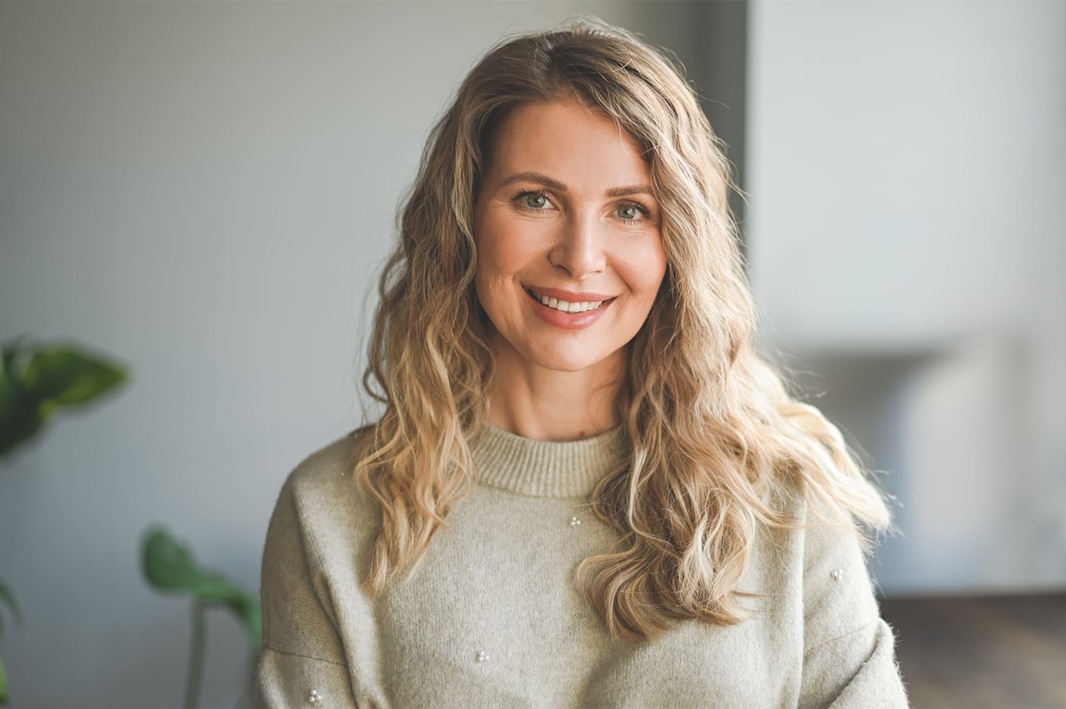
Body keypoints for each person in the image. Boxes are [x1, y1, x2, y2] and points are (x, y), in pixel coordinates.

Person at [257, 18, 908, 708]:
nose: (580, 256)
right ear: (465, 218)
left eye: (629, 210)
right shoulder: (331, 514)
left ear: (676, 243)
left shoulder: (784, 498)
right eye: (536, 199)